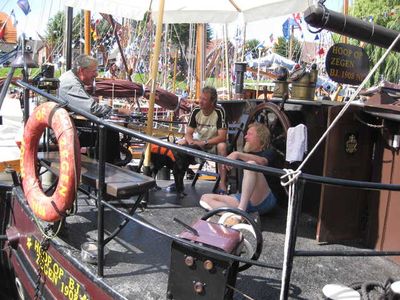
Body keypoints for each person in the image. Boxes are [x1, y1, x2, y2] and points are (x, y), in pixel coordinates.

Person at [59, 54, 129, 163]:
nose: (96, 74)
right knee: (109, 131)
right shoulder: (71, 84)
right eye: (93, 71)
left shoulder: (70, 78)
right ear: (82, 70)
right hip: (63, 131)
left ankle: (107, 164)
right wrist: (117, 111)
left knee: (107, 130)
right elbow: (92, 109)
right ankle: (108, 168)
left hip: (65, 125)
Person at [199, 123, 277, 217]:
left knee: (251, 165)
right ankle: (239, 216)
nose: (245, 137)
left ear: (260, 137)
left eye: (249, 134)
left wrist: (237, 154)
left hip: (264, 199)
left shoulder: (269, 152)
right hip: (244, 199)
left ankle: (241, 211)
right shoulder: (245, 154)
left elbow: (263, 162)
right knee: (204, 199)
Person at [172, 86, 228, 194]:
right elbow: (188, 133)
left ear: (212, 102)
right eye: (200, 98)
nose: (200, 102)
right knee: (180, 146)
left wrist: (204, 143)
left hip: (214, 142)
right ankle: (178, 182)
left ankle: (222, 184)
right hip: (198, 141)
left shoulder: (219, 111)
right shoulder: (196, 110)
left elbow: (222, 137)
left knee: (222, 146)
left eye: (204, 99)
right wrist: (191, 142)